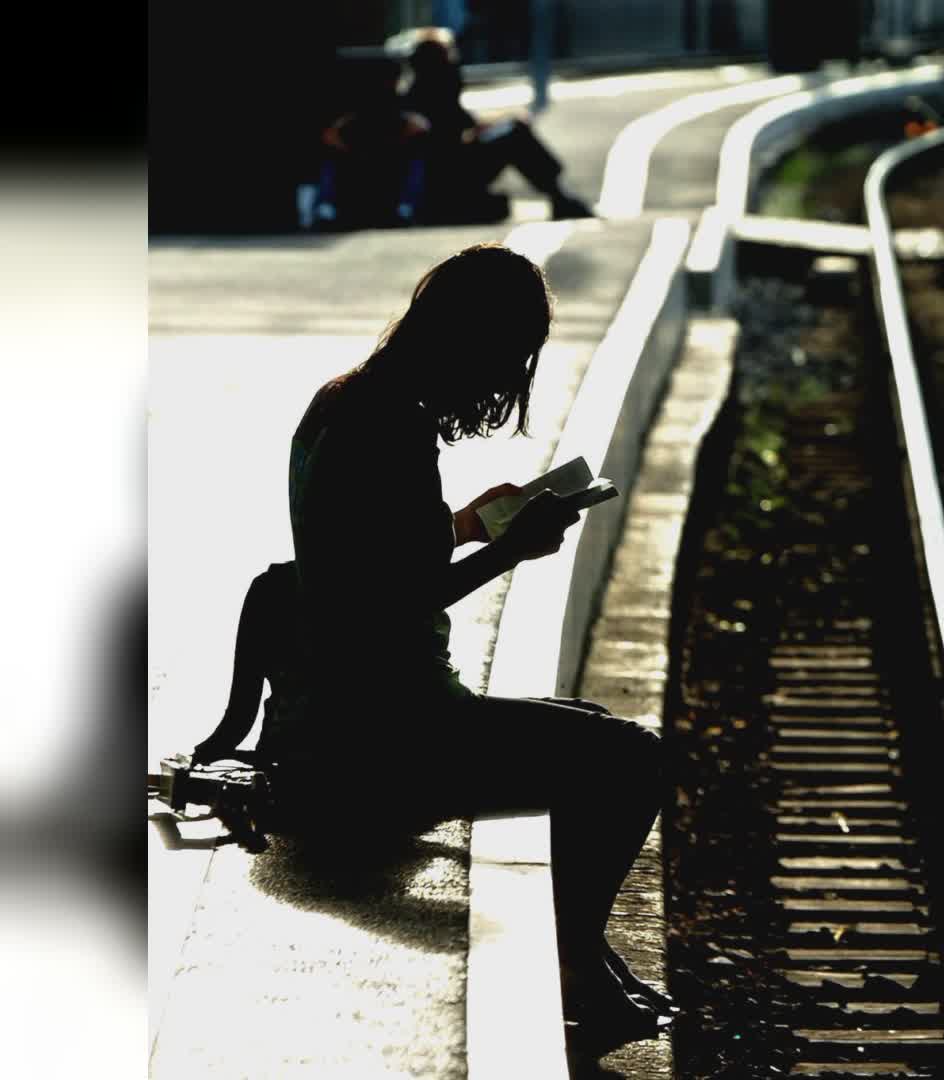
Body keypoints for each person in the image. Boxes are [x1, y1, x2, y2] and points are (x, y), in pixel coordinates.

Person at [274, 243, 668, 1040]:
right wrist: (508, 551)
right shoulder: (392, 428)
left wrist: (465, 524)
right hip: (388, 727)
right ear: (475, 344)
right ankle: (577, 963)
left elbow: (363, 552)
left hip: (343, 704)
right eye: (508, 357)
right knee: (635, 758)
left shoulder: (343, 401)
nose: (505, 380)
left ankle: (587, 956)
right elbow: (386, 602)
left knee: (588, 722)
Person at [399, 29, 596, 222]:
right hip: (446, 177)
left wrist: (506, 119)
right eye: (449, 55)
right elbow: (451, 139)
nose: (454, 62)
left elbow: (468, 124)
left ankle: (558, 194)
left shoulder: (428, 90)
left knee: (513, 128)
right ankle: (558, 196)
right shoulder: (431, 92)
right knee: (515, 136)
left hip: (450, 168)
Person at [308, 58, 433, 230]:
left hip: (373, 162)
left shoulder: (367, 103)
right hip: (369, 163)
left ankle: (327, 207)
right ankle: (406, 205)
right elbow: (421, 126)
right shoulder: (390, 103)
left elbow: (330, 135)